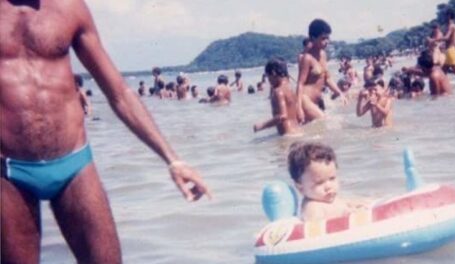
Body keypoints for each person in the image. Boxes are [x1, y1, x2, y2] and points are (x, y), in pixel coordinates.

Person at [0, 1, 210, 263]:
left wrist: (173, 159)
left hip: (74, 166)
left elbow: (119, 92)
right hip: (9, 172)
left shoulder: (69, 7)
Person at [287, 142, 368, 221]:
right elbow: (315, 228)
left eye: (332, 178)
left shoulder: (331, 199)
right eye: (319, 183)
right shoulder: (313, 208)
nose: (329, 186)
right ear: (300, 187)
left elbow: (348, 203)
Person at [296, 18, 346, 124]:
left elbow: (327, 78)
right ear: (313, 38)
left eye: (328, 38)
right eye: (323, 38)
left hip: (316, 101)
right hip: (306, 100)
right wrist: (298, 107)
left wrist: (340, 93)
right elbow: (300, 84)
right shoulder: (307, 58)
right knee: (325, 122)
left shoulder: (323, 54)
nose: (326, 41)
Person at [253, 58, 301, 136]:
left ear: (273, 73)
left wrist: (261, 126)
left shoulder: (278, 91)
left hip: (288, 134)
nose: (268, 80)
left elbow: (283, 116)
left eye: (268, 76)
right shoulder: (290, 88)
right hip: (297, 130)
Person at [432, 10, 455, 84]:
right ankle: (443, 87)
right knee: (443, 71)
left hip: (450, 51)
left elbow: (446, 37)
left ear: (449, 16)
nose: (444, 17)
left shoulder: (451, 26)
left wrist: (434, 40)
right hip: (452, 51)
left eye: (445, 15)